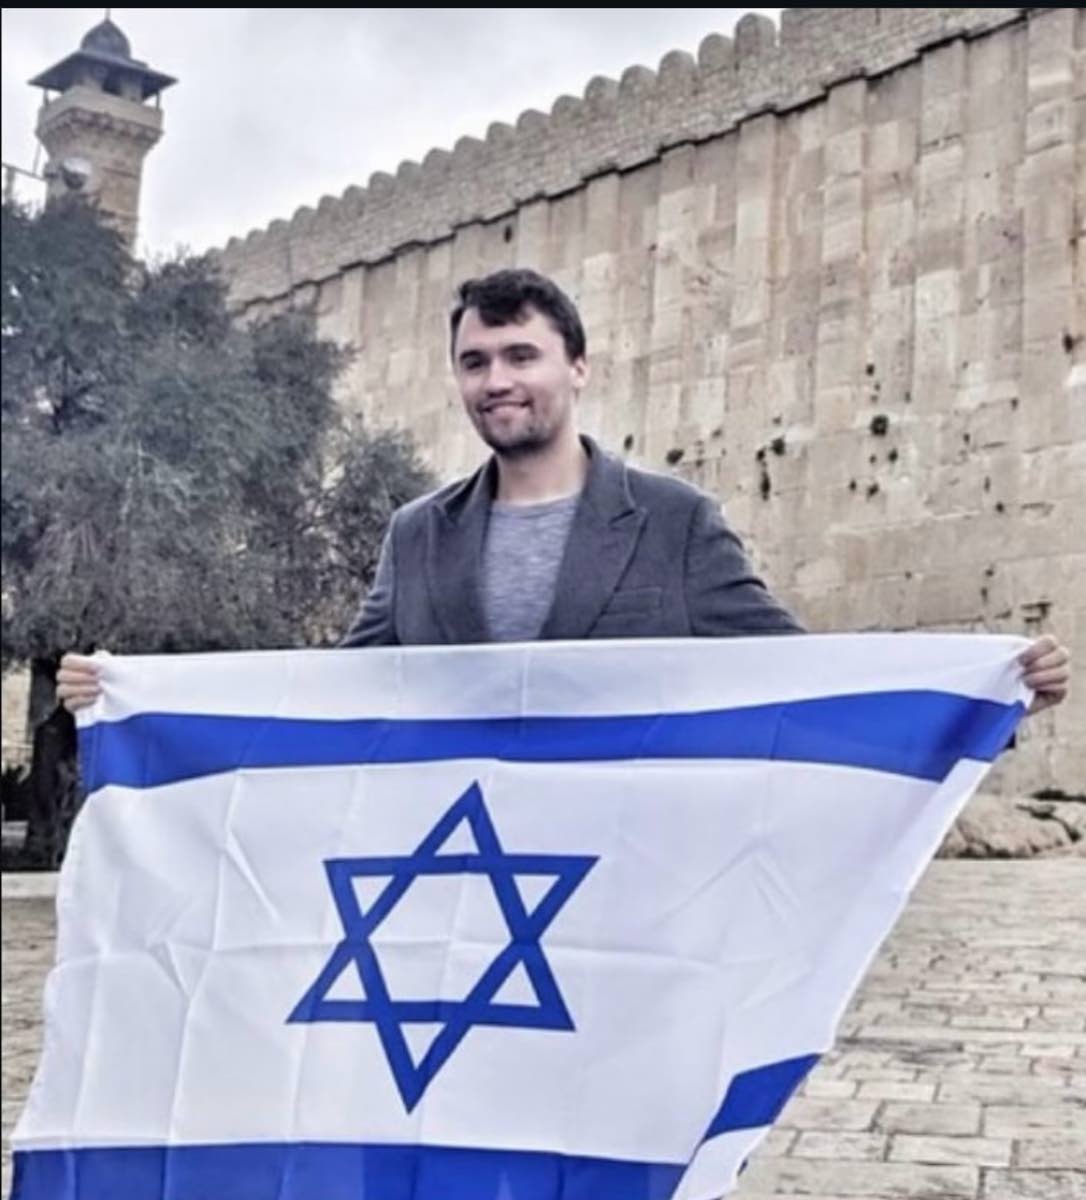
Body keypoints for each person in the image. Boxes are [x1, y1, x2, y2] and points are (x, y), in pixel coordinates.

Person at [59, 269, 1070, 709]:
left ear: (576, 368)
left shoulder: (674, 525)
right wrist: (142, 694)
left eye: (520, 355)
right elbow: (342, 692)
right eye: (474, 361)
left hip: (625, 888)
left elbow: (794, 676)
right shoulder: (417, 536)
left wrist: (976, 683)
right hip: (453, 875)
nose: (496, 381)